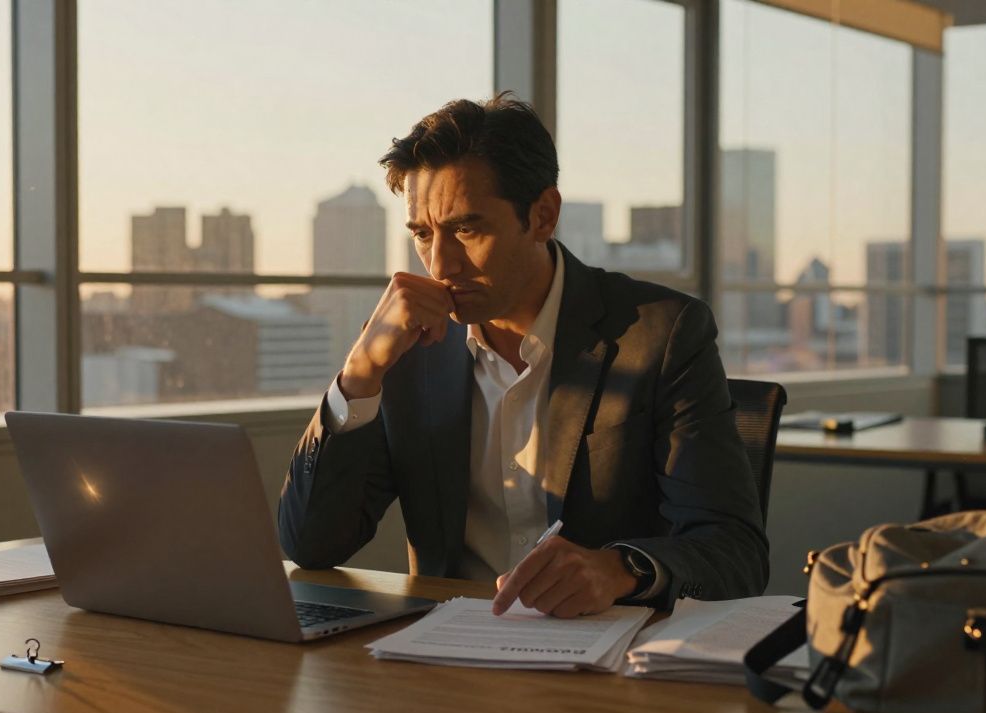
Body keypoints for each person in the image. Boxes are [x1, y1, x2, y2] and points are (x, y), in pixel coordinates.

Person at [278, 94, 768, 617]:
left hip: (608, 656)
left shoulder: (661, 334)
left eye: (466, 230)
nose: (440, 263)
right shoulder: (408, 349)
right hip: (446, 653)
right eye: (423, 234)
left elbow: (734, 552)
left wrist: (620, 569)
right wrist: (359, 375)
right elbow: (311, 545)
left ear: (543, 216)